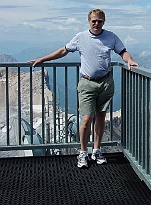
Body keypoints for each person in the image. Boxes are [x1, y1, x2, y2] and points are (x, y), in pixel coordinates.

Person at [29, 9, 139, 168]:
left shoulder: (111, 37)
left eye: (100, 21)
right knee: (87, 118)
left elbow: (123, 52)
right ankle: (83, 152)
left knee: (101, 116)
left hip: (106, 82)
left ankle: (96, 150)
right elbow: (63, 50)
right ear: (89, 21)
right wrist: (42, 59)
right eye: (94, 21)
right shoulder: (80, 37)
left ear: (104, 22)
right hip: (87, 83)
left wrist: (130, 60)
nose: (97, 24)